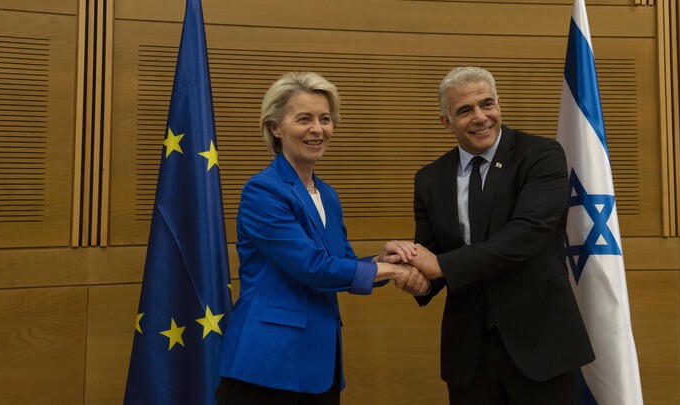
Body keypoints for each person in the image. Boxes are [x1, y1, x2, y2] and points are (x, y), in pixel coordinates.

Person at [216, 71, 427, 405]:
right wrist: (397, 273)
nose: (317, 129)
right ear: (275, 128)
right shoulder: (263, 191)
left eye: (325, 119)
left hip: (318, 364)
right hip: (268, 364)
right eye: (304, 119)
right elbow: (311, 267)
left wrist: (384, 260)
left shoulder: (327, 194)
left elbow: (340, 263)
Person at [398, 66, 594, 404]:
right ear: (446, 122)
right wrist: (416, 277)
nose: (480, 117)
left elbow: (526, 237)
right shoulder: (429, 179)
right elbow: (432, 258)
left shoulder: (541, 156)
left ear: (499, 104)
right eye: (464, 110)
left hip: (540, 345)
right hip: (469, 355)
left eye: (487, 104)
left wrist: (439, 266)